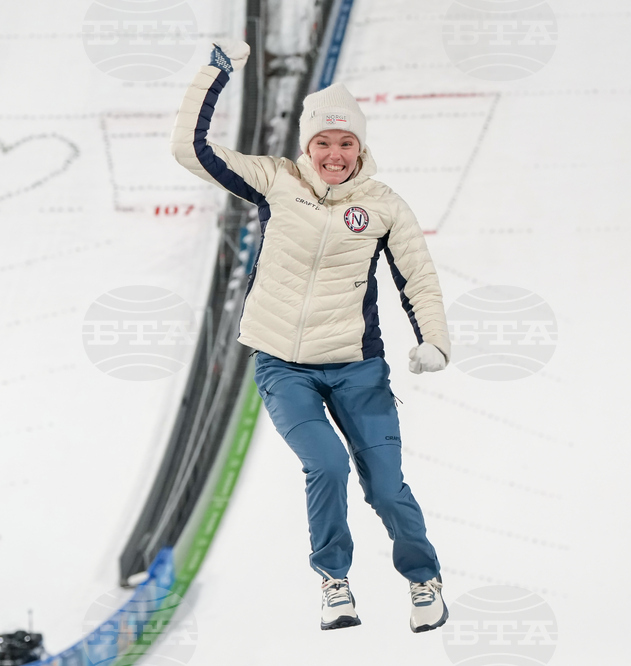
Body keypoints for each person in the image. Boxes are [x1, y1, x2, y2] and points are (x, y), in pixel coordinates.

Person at [171, 40, 450, 633]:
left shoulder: (382, 206)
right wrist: (214, 75)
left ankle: (424, 579)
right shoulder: (275, 182)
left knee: (386, 487)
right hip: (283, 367)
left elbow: (418, 278)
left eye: (346, 143)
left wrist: (435, 340)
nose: (334, 154)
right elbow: (190, 149)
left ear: (361, 148)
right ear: (307, 145)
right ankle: (334, 580)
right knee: (325, 465)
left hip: (356, 367)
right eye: (323, 142)